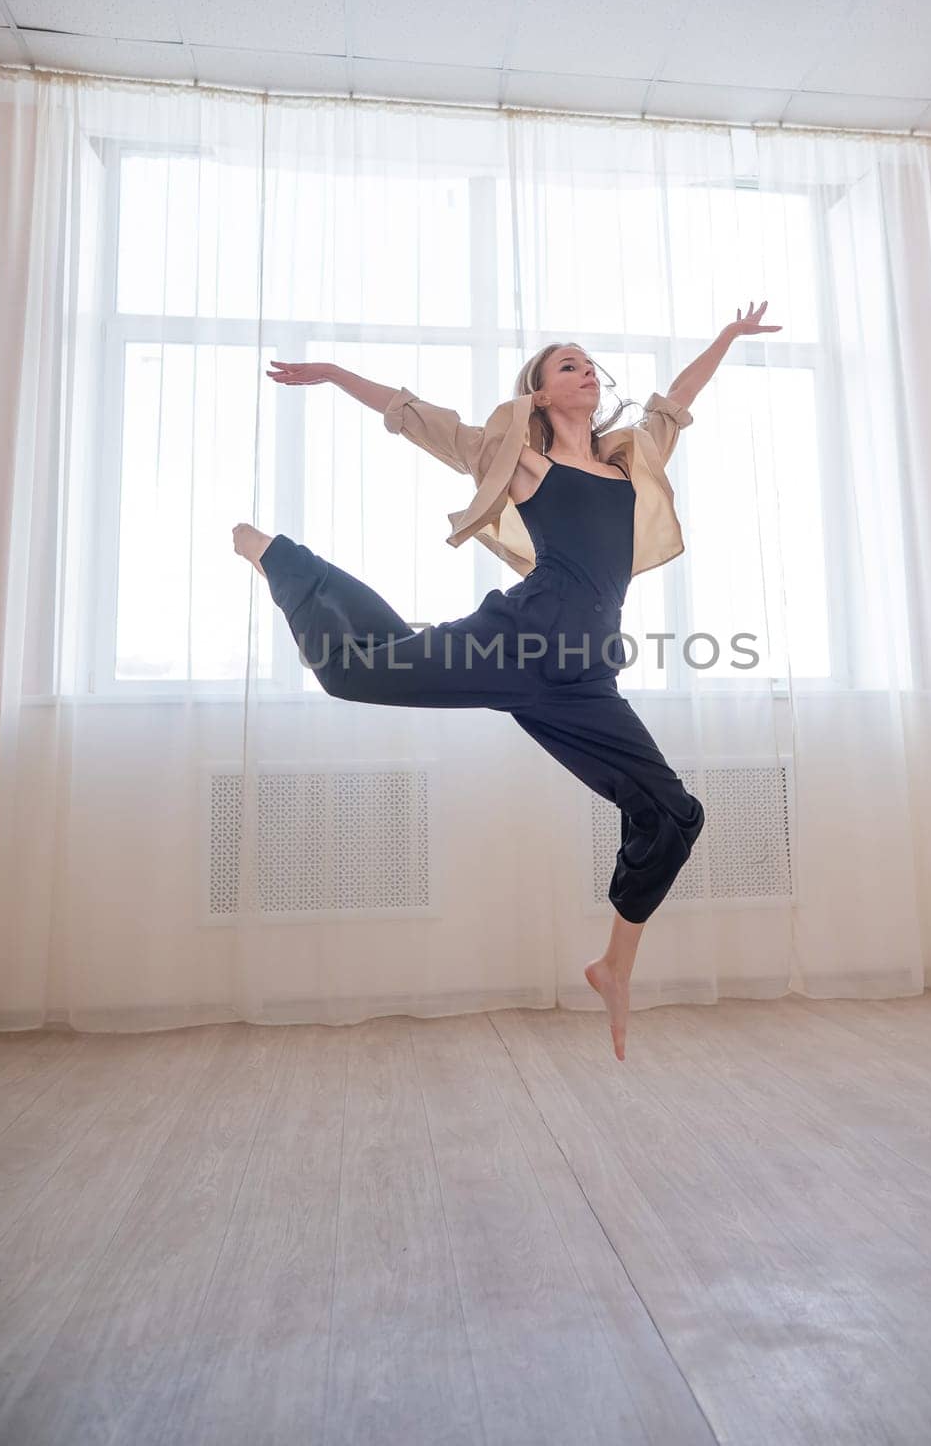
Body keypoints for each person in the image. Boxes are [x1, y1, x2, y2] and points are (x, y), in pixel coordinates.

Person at [233, 303, 780, 1059]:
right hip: (511, 642)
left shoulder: (630, 456)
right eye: (567, 365)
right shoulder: (520, 461)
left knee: (673, 814)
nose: (586, 371)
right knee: (354, 670)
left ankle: (613, 967)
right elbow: (414, 416)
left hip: (583, 677)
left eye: (590, 363)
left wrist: (723, 338)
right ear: (541, 393)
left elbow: (676, 401)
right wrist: (331, 374)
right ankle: (283, 558)